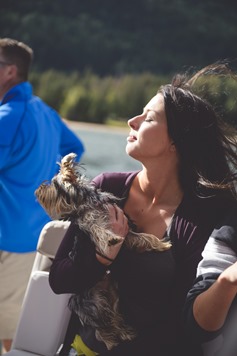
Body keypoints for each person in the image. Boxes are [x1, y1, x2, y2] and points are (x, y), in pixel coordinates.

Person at [48, 63, 237, 356]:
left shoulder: (201, 215)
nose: (131, 121)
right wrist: (101, 256)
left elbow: (183, 325)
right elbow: (60, 279)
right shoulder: (106, 187)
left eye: (147, 118)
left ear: (176, 141)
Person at [0, 37, 85, 353]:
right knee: (12, 329)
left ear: (10, 71)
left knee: (9, 332)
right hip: (30, 234)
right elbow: (75, 149)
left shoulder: (8, 118)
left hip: (7, 240)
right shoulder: (44, 112)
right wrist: (44, 185)